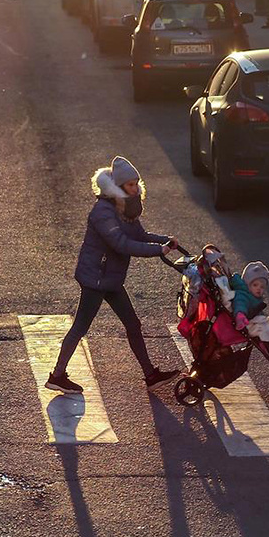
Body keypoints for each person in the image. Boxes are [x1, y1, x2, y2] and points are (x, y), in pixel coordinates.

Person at [45, 156, 181, 395]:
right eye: (130, 184)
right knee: (80, 327)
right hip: (96, 278)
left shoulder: (123, 207)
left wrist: (165, 240)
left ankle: (150, 374)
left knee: (133, 323)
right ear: (118, 186)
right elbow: (122, 244)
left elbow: (138, 234)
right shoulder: (103, 212)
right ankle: (57, 376)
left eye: (137, 183)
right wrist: (158, 250)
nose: (136, 187)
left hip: (110, 278)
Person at [230, 261, 269, 357]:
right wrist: (240, 315)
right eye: (255, 285)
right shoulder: (243, 294)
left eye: (262, 287)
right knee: (265, 328)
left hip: (252, 319)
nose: (259, 289)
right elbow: (240, 304)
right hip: (246, 323)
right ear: (247, 284)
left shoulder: (253, 296)